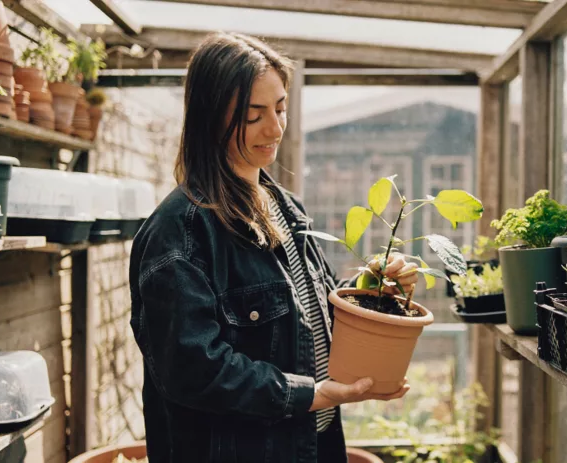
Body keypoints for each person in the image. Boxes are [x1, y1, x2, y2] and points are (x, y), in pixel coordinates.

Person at [128, 33, 420, 463]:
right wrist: (308, 394)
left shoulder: (284, 206)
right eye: (253, 115)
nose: (276, 127)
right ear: (212, 118)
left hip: (312, 445)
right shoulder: (180, 234)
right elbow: (194, 368)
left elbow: (306, 312)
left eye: (281, 108)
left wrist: (369, 286)